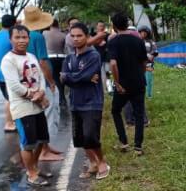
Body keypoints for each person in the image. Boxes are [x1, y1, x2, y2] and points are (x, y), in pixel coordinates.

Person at [1, 24, 52, 186]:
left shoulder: (31, 56)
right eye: (17, 37)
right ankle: (31, 174)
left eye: (24, 37)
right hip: (22, 108)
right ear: (11, 39)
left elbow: (41, 77)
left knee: (41, 139)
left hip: (37, 105)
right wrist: (35, 96)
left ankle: (35, 168)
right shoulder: (8, 60)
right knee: (28, 143)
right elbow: (15, 86)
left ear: (29, 38)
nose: (22, 40)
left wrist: (42, 92)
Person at [61, 22, 110, 180]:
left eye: (79, 35)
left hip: (92, 102)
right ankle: (92, 163)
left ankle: (102, 162)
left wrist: (73, 77)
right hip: (75, 102)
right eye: (73, 36)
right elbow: (64, 78)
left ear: (87, 37)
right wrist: (78, 77)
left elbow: (80, 75)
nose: (75, 39)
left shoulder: (93, 55)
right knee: (80, 138)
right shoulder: (68, 58)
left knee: (90, 136)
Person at [22, 5, 63, 162]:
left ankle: (46, 147)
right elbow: (43, 61)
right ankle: (44, 150)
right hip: (41, 80)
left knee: (40, 114)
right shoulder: (37, 37)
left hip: (29, 80)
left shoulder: (22, 35)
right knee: (50, 113)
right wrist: (51, 81)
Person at [109, 12, 147, 155]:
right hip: (138, 82)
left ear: (114, 26)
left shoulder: (113, 42)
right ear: (127, 24)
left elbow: (113, 64)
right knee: (139, 113)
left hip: (123, 85)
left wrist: (117, 83)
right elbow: (144, 62)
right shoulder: (138, 40)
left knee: (115, 110)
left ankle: (124, 142)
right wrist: (141, 75)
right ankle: (138, 146)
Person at [0, 14, 17, 132]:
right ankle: (9, 124)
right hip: (9, 71)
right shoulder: (12, 37)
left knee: (8, 98)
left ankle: (12, 121)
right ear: (14, 24)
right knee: (10, 98)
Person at [43, 18, 67, 106]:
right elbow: (65, 48)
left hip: (50, 57)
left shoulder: (45, 33)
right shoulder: (63, 35)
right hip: (62, 57)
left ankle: (55, 98)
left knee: (53, 79)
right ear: (58, 24)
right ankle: (62, 97)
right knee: (61, 78)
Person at [139, 25, 157, 99]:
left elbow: (155, 52)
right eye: (142, 32)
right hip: (138, 65)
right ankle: (140, 95)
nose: (143, 34)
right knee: (139, 81)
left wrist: (151, 56)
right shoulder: (137, 41)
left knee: (148, 80)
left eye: (145, 33)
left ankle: (149, 96)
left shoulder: (151, 42)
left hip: (148, 65)